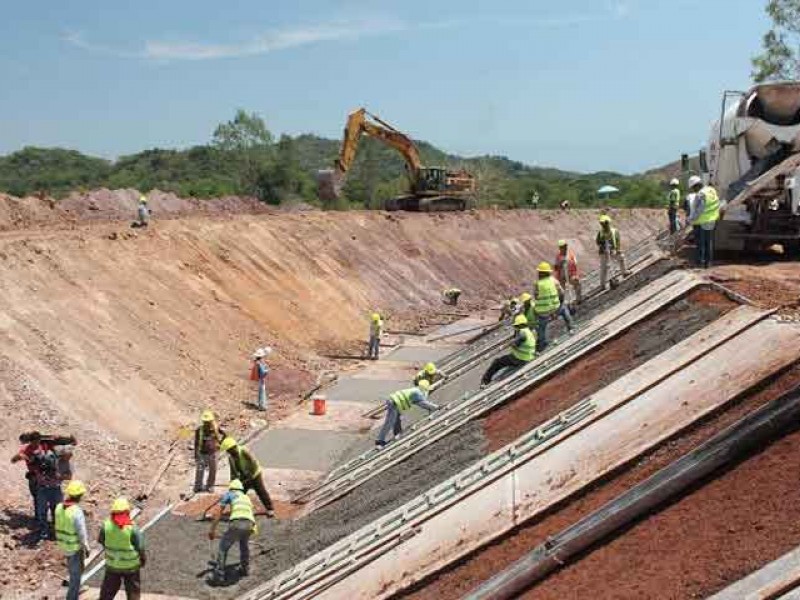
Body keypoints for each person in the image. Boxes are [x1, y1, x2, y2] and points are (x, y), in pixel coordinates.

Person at [209, 479, 256, 583]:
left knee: (223, 547)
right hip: (250, 524)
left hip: (237, 523)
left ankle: (219, 575)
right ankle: (245, 569)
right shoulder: (246, 498)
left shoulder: (229, 494)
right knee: (244, 545)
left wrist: (212, 530)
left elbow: (218, 513)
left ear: (231, 488)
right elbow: (249, 513)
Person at [98, 498, 145, 600]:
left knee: (107, 593)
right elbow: (140, 548)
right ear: (127, 512)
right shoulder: (132, 528)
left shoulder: (105, 526)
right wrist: (143, 560)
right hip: (131, 567)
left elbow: (101, 541)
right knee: (133, 593)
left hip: (112, 566)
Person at [220, 437, 275, 518]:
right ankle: (237, 510)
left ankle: (270, 509)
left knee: (260, 491)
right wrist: (233, 483)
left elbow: (254, 463)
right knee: (238, 493)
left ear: (233, 447)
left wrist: (250, 476)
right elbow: (233, 472)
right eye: (227, 451)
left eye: (229, 450)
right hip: (243, 476)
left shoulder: (244, 451)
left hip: (255, 474)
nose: (229, 452)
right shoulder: (231, 457)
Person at [375, 380, 439, 447]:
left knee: (396, 419)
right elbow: (423, 403)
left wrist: (432, 407)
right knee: (390, 421)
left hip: (395, 402)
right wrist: (436, 407)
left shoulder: (415, 391)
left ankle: (397, 432)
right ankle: (380, 440)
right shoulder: (417, 393)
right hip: (395, 403)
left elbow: (420, 403)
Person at [55, 480, 89, 600]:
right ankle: (72, 597)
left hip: (63, 544)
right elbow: (82, 532)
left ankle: (77, 587)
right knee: (76, 574)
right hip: (74, 547)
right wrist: (86, 547)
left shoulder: (59, 507)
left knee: (73, 568)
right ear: (79, 496)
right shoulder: (76, 511)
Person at [481, 314, 536, 386]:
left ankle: (485, 381)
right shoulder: (528, 331)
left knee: (497, 362)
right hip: (528, 357)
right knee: (504, 360)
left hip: (519, 358)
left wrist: (511, 343)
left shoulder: (522, 333)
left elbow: (515, 344)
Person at [532, 262, 574, 352]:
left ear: (542, 273)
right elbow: (562, 294)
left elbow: (536, 297)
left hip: (543, 312)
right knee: (564, 309)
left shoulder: (537, 284)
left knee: (541, 326)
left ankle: (542, 342)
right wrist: (558, 306)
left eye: (539, 272)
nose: (538, 274)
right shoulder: (554, 281)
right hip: (555, 308)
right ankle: (570, 326)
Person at [687, 175, 721, 269]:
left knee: (700, 243)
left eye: (693, 188)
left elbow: (699, 210)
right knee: (708, 243)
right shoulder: (711, 190)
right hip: (712, 219)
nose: (693, 190)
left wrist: (690, 219)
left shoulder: (701, 194)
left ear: (696, 186)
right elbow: (717, 202)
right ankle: (708, 263)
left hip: (702, 222)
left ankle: (700, 263)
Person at [194, 410, 226, 493]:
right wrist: (196, 454)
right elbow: (196, 443)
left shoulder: (215, 429)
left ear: (211, 421)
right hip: (202, 453)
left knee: (213, 470)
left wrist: (220, 443)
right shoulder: (199, 430)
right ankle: (198, 486)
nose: (206, 423)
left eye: (208, 422)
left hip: (213, 454)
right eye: (205, 422)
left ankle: (210, 486)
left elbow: (225, 434)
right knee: (200, 470)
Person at [596, 215, 629, 290]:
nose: (604, 225)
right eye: (602, 224)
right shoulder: (600, 233)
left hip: (613, 250)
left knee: (621, 257)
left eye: (605, 223)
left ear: (608, 223)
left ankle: (624, 272)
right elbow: (597, 242)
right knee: (604, 268)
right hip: (604, 252)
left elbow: (617, 241)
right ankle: (602, 285)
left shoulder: (614, 231)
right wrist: (603, 244)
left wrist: (617, 250)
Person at [554, 240, 582, 307]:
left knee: (577, 283)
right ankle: (562, 304)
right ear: (560, 248)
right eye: (563, 247)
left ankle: (578, 299)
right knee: (560, 291)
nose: (565, 248)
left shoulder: (570, 255)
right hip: (561, 277)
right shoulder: (558, 257)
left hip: (571, 275)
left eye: (565, 246)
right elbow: (555, 268)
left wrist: (575, 275)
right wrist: (560, 264)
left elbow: (575, 264)